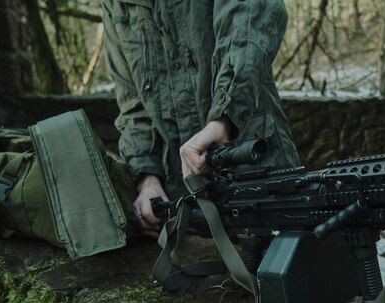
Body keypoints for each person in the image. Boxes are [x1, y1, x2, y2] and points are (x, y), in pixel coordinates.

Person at [100, 0, 301, 238]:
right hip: (183, 206)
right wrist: (146, 179)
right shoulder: (113, 4)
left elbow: (250, 19)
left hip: (256, 169)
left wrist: (224, 117)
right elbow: (133, 105)